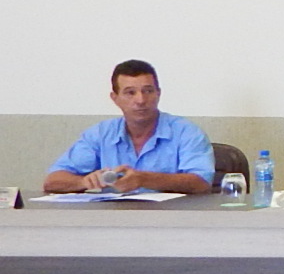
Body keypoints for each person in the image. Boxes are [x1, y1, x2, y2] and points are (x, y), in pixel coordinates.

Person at [45, 61, 215, 195]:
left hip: (171, 221)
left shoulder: (187, 132)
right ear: (115, 98)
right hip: (113, 221)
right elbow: (52, 181)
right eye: (130, 93)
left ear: (158, 94)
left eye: (148, 91)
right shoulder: (99, 134)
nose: (140, 100)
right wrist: (83, 182)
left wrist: (144, 179)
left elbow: (201, 182)